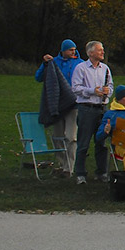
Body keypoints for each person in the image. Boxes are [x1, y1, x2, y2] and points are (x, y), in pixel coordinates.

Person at [34, 39, 83, 177]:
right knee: (57, 137)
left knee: (71, 137)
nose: (73, 52)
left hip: (73, 104)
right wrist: (45, 64)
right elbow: (38, 77)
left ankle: (69, 168)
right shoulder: (53, 62)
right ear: (63, 50)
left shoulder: (80, 64)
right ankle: (61, 164)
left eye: (74, 49)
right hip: (56, 104)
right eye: (70, 50)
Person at [71, 41, 114, 185]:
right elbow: (75, 88)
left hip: (102, 108)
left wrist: (108, 92)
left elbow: (111, 86)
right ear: (90, 53)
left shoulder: (105, 69)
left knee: (101, 142)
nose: (102, 52)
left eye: (102, 50)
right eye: (99, 50)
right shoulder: (81, 68)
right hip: (86, 109)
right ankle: (80, 174)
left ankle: (101, 172)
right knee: (83, 143)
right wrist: (92, 91)